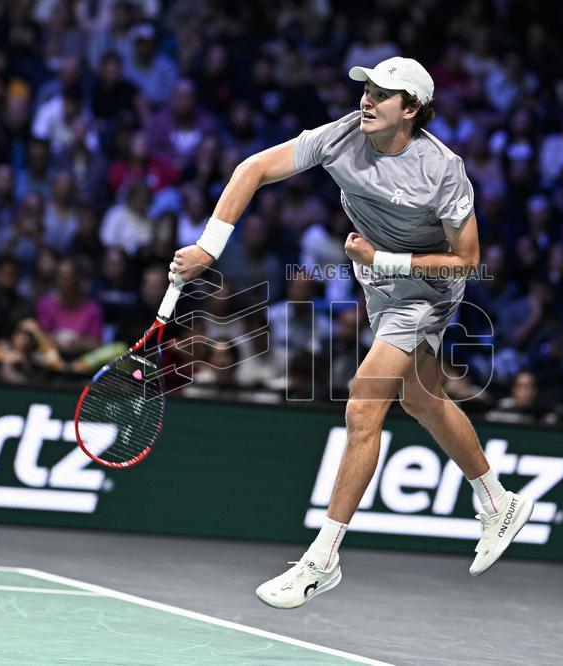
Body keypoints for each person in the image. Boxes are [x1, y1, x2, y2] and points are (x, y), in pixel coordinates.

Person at [168, 57, 534, 609]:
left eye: (383, 94)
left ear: (411, 109)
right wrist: (208, 247)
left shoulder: (443, 170)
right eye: (366, 87)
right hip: (377, 284)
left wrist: (383, 258)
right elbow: (253, 169)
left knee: (364, 406)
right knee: (424, 400)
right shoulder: (340, 135)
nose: (366, 98)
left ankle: (322, 558)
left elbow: (467, 261)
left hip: (426, 288)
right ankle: (498, 500)